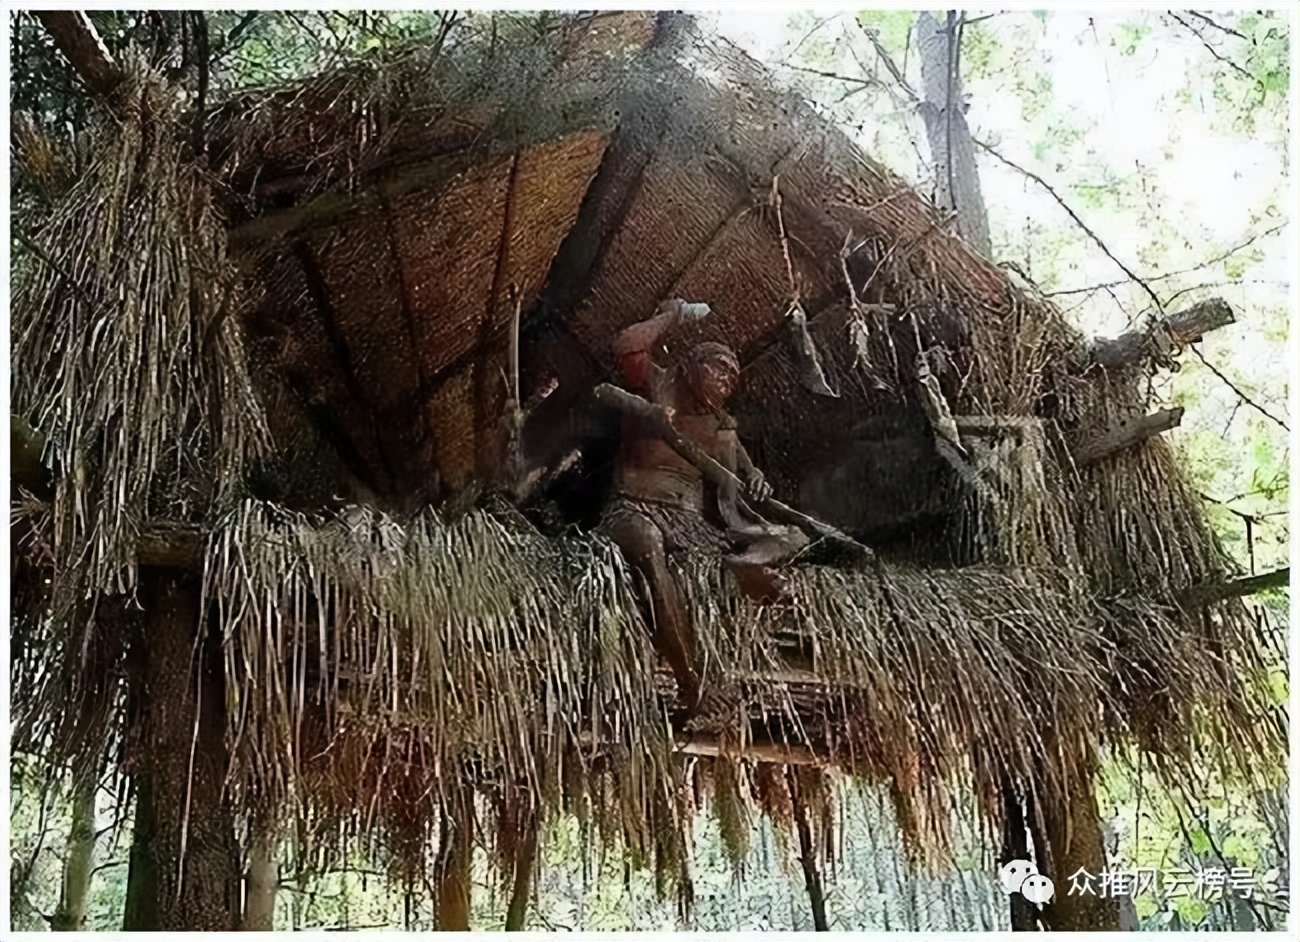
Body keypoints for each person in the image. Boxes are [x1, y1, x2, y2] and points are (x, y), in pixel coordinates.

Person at [600, 298, 808, 714]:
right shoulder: (656, 386)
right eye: (718, 369)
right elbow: (625, 346)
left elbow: (740, 484)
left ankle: (743, 567)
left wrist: (755, 480)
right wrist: (673, 314)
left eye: (732, 377)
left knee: (794, 536)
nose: (726, 382)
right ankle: (690, 682)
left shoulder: (721, 427)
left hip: (692, 527)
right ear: (689, 366)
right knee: (646, 542)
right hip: (635, 509)